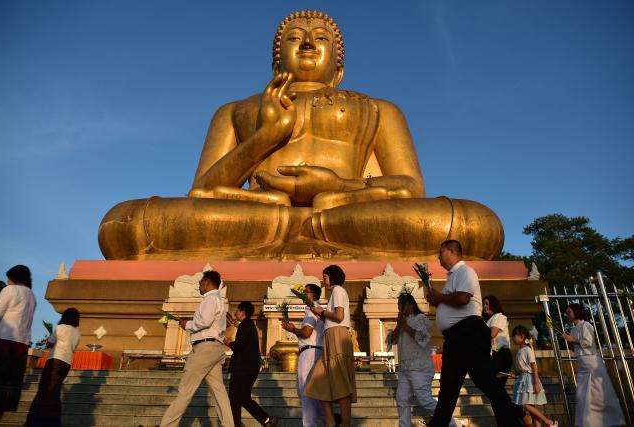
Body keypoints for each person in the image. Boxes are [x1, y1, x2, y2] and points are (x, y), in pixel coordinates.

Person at [98, 10, 504, 262]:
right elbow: (202, 191)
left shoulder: (378, 108)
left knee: (475, 224)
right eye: (295, 38)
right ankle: (301, 223)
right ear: (278, 61)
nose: (308, 42)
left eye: (320, 39)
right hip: (264, 212)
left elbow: (409, 188)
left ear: (338, 68)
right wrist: (270, 133)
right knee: (125, 223)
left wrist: (340, 187)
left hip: (343, 210)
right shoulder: (236, 110)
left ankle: (306, 222)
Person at [426, 240, 523, 427]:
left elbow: (463, 298)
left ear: (452, 252)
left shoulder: (465, 271)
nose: (438, 256)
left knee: (486, 382)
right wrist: (437, 300)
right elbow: (451, 301)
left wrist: (440, 297)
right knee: (449, 388)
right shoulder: (452, 277)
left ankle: (512, 418)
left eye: (441, 252)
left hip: (468, 333)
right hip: (455, 337)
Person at [159, 270, 234, 427]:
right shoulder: (217, 299)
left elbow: (204, 321)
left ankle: (166, 425)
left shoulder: (210, 299)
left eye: (200, 282)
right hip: (216, 348)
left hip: (205, 348)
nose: (199, 286)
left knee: (185, 390)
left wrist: (188, 324)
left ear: (207, 282)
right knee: (219, 392)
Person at [392, 293, 458, 427]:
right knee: (402, 399)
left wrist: (403, 325)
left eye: (401, 304)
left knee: (424, 400)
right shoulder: (402, 322)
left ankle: (451, 423)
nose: (399, 307)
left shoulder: (421, 318)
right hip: (405, 368)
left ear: (410, 304)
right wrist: (399, 325)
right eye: (398, 304)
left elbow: (421, 338)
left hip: (419, 367)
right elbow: (392, 340)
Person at [306, 265, 356, 427]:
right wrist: (320, 314)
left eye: (325, 277)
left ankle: (345, 424)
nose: (323, 280)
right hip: (331, 337)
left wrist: (321, 312)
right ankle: (331, 422)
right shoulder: (335, 293)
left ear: (333, 277)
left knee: (341, 385)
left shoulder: (338, 291)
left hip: (337, 337)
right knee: (318, 383)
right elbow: (332, 318)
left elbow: (339, 316)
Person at [563, 304, 625, 427]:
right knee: (583, 394)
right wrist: (570, 341)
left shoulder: (586, 325)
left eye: (569, 312)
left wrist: (572, 339)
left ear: (576, 312)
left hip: (591, 362)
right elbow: (575, 348)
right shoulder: (573, 329)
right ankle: (587, 422)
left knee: (601, 393)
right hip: (582, 363)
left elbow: (588, 342)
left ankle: (614, 420)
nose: (567, 314)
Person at [0, 265, 37, 427]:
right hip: (20, 346)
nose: (7, 282)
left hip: (2, 342)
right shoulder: (32, 296)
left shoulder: (9, 290)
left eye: (8, 278)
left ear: (14, 278)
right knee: (4, 393)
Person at [26, 308, 81, 427]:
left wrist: (49, 341)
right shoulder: (77, 333)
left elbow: (50, 343)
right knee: (55, 390)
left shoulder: (61, 328)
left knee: (46, 389)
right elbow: (74, 347)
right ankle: (52, 420)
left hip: (55, 360)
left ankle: (39, 420)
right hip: (66, 363)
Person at [224, 302, 275, 426]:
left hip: (243, 369)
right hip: (249, 368)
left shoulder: (245, 325)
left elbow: (240, 346)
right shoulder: (249, 325)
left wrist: (229, 343)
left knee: (235, 399)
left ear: (242, 312)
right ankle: (266, 419)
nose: (235, 313)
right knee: (244, 398)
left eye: (238, 310)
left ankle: (236, 424)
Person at [281, 284, 325, 427]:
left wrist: (293, 329)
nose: (304, 295)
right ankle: (320, 421)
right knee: (311, 390)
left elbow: (306, 333)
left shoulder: (312, 310)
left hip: (310, 352)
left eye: (306, 292)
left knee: (306, 390)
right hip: (315, 350)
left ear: (315, 295)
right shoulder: (316, 310)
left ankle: (310, 423)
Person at [511, 325, 557, 427]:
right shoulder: (519, 351)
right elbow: (521, 368)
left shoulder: (528, 350)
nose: (513, 338)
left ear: (522, 336)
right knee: (531, 407)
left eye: (515, 335)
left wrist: (536, 383)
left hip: (529, 380)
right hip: (522, 379)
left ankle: (549, 422)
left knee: (524, 404)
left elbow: (534, 367)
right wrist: (516, 374)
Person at [482, 295, 512, 386]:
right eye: (483, 304)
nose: (484, 306)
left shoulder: (499, 316)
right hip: (493, 354)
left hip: (501, 354)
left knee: (498, 383)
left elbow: (492, 334)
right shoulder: (488, 320)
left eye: (487, 304)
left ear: (493, 304)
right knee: (493, 384)